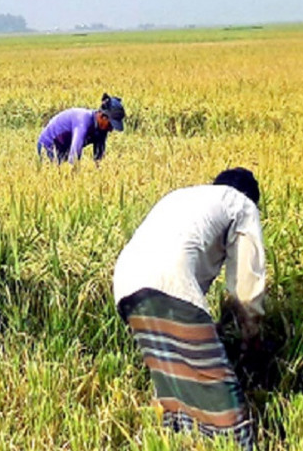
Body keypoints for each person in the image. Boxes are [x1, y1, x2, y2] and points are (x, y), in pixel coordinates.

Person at [112, 168, 266, 450]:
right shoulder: (242, 205)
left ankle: (177, 440)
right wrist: (251, 337)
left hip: (125, 283)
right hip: (169, 282)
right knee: (221, 392)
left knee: (174, 382)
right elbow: (246, 287)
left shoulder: (184, 197)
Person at [37, 93, 125, 165]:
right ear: (102, 116)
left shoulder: (101, 130)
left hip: (63, 148)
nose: (111, 130)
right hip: (47, 145)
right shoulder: (83, 122)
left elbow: (99, 159)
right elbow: (74, 158)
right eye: (110, 125)